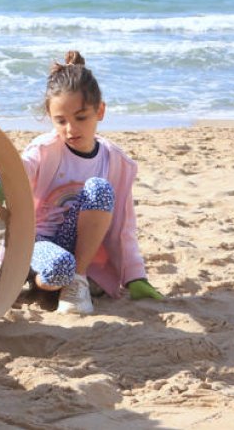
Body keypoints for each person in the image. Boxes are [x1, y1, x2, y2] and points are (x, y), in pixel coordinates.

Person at [19, 51, 163, 315]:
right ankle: (36, 283)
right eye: (60, 121)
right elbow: (19, 171)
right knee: (58, 267)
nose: (71, 129)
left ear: (100, 111)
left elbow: (123, 225)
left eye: (81, 118)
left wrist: (135, 276)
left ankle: (77, 280)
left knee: (99, 188)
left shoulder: (114, 160)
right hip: (40, 242)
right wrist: (6, 179)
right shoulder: (44, 149)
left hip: (81, 246)